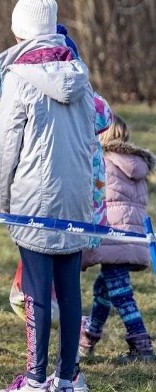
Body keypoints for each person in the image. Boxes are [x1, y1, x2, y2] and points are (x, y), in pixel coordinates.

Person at [0, 0, 96, 392]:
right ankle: (67, 379)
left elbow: (3, 147)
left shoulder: (18, 78)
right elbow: (90, 139)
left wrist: (6, 202)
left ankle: (35, 381)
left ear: (21, 32)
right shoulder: (80, 73)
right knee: (69, 291)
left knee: (35, 292)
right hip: (75, 198)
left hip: (34, 199)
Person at [80, 114, 155, 364]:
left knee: (121, 292)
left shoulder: (102, 162)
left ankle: (141, 343)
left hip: (112, 235)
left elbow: (96, 198)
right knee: (104, 286)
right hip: (133, 236)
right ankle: (89, 337)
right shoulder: (137, 165)